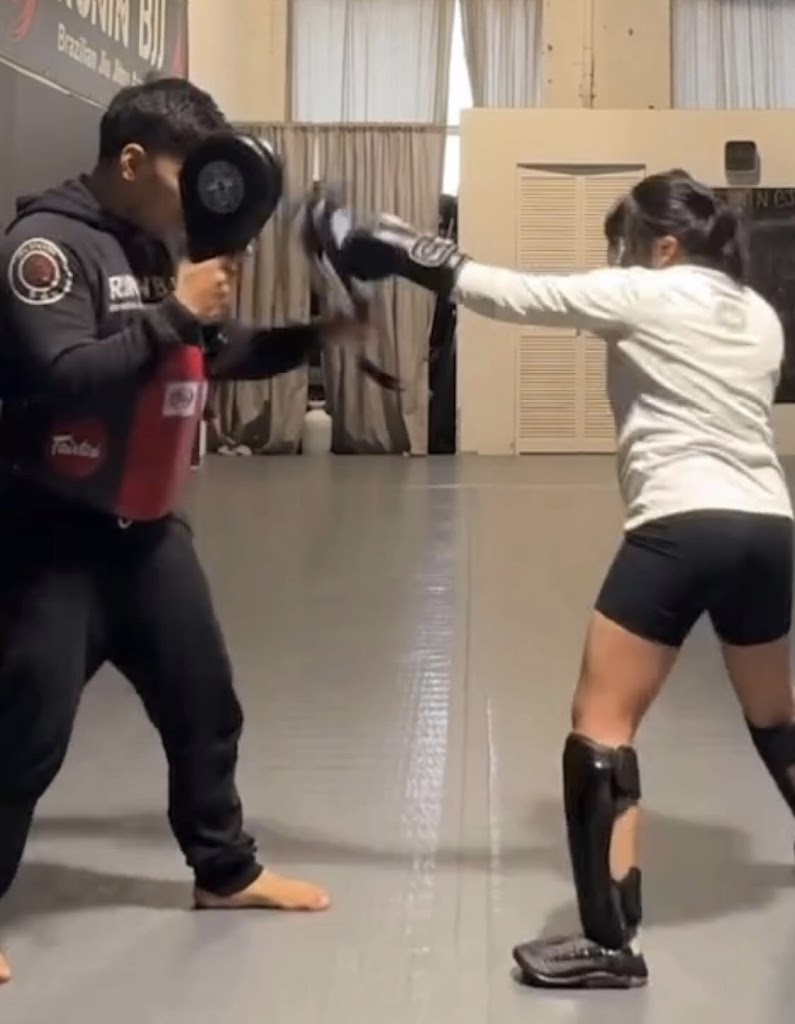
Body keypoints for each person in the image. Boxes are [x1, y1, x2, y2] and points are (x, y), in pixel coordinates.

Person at [299, 170, 795, 989]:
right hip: (769, 528)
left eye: (627, 243)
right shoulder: (757, 315)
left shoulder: (646, 292)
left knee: (601, 725)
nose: (619, 258)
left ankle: (609, 945)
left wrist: (393, 246)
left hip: (680, 525)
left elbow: (509, 294)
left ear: (665, 246)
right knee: (774, 714)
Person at [0, 78, 358, 985]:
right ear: (130, 161)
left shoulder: (154, 248)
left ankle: (223, 872)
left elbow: (209, 352)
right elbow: (65, 374)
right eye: (181, 174)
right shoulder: (44, 247)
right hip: (53, 537)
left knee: (205, 706)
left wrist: (317, 337)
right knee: (24, 733)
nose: (197, 195)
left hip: (149, 534)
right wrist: (174, 313)